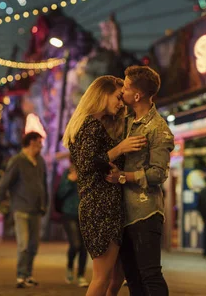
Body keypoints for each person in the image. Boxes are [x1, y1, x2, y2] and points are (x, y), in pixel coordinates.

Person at [63, 75, 146, 296]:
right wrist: (121, 148)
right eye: (118, 97)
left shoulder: (92, 123)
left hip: (104, 205)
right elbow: (87, 164)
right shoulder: (90, 124)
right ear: (102, 93)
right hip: (100, 206)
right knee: (101, 278)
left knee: (116, 275)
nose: (121, 103)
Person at [105, 66, 174, 296]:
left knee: (150, 275)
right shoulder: (123, 121)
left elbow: (158, 174)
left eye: (125, 87)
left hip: (145, 213)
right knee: (132, 277)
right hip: (122, 212)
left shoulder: (158, 129)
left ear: (137, 95)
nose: (121, 91)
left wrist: (123, 177)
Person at [0, 131, 48, 289]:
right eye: (38, 143)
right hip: (21, 209)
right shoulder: (17, 161)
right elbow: (4, 184)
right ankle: (21, 276)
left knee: (34, 245)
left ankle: (28, 274)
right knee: (24, 244)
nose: (41, 146)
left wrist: (45, 204)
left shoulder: (40, 161)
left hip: (36, 210)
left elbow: (44, 185)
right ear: (30, 143)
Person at [56, 160, 89, 288]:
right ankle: (70, 267)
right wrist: (70, 180)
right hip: (69, 213)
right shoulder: (67, 173)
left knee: (84, 246)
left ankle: (81, 275)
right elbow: (60, 193)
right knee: (75, 244)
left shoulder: (88, 172)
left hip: (85, 214)